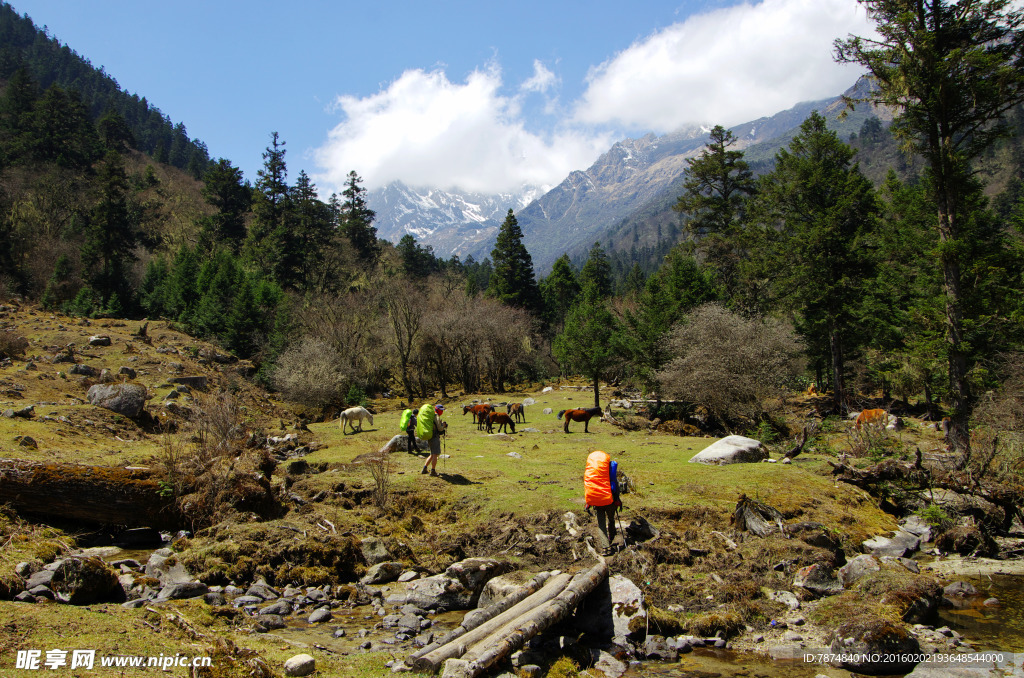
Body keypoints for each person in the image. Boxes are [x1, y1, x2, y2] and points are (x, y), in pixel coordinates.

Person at [583, 450, 621, 556]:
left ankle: (605, 547)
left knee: (601, 524)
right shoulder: (610, 469)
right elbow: (615, 484)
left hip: (597, 501)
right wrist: (617, 498)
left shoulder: (592, 472)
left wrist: (589, 502)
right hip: (610, 500)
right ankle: (612, 537)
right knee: (611, 519)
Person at [416, 403, 445, 476]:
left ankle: (425, 468)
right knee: (435, 454)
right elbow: (440, 428)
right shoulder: (436, 416)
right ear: (437, 410)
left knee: (432, 454)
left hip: (429, 435)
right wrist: (443, 425)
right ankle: (433, 471)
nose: (442, 412)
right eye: (441, 410)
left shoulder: (430, 416)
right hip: (434, 436)